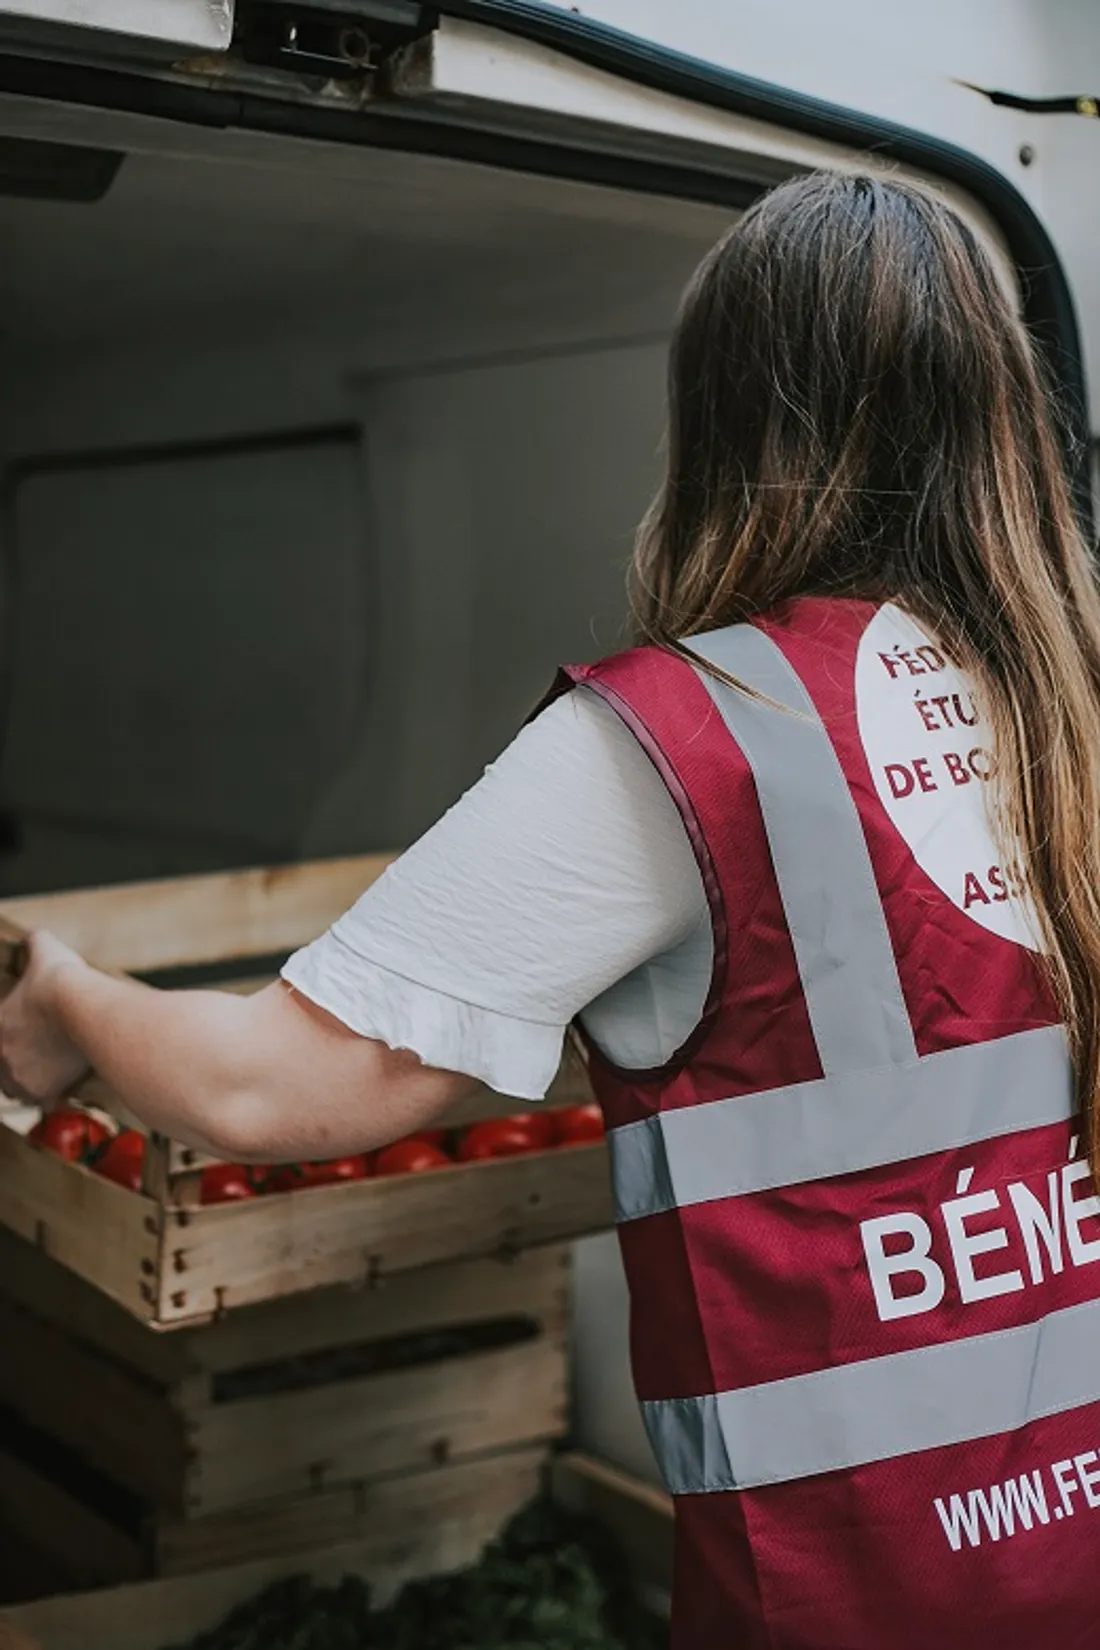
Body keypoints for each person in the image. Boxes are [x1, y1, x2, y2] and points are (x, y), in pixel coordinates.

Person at [1, 171, 1098, 1648]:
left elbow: (271, 1088)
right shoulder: (1072, 699)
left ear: (731, 425)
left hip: (868, 1595)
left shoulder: (691, 735)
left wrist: (62, 996)